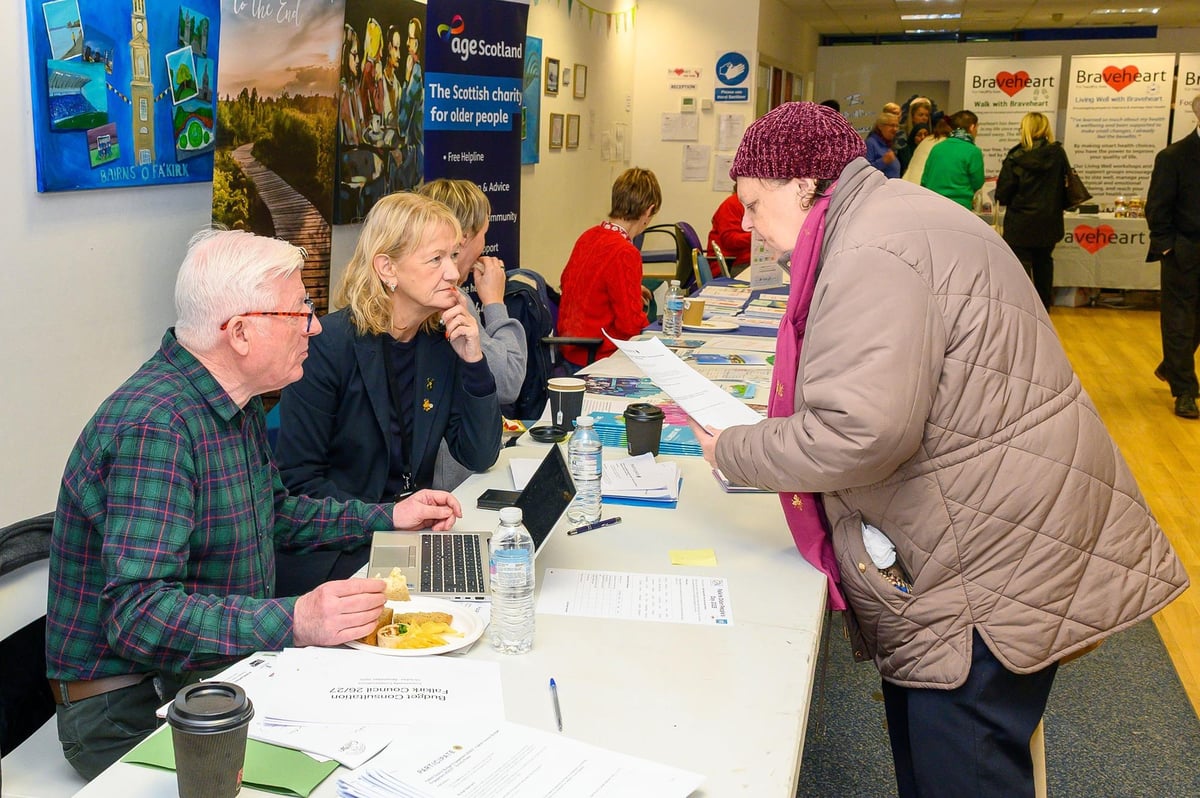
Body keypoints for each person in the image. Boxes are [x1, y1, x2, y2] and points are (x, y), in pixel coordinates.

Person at [690, 102, 1187, 798]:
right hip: (1004, 532)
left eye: (752, 203)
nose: (744, 225)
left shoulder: (867, 252)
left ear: (804, 183)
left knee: (963, 774)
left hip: (981, 569)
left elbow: (862, 431)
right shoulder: (893, 215)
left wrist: (736, 451)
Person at [45, 228, 465, 779]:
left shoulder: (228, 399)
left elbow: (277, 513)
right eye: (299, 312)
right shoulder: (157, 427)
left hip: (208, 677)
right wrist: (295, 620)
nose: (315, 325)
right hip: (127, 711)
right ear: (240, 332)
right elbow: (138, 614)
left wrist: (389, 516)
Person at [274, 192, 501, 591]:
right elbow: (299, 484)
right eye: (436, 259)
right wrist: (389, 516)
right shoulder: (329, 347)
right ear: (387, 268)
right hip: (337, 556)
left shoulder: (437, 341)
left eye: (453, 256)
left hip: (407, 541)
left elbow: (479, 454)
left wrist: (474, 363)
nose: (452, 273)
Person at [418, 178, 528, 488]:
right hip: (452, 482)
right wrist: (494, 302)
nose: (484, 245)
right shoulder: (452, 300)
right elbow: (508, 382)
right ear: (463, 238)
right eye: (484, 234)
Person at [557, 167, 660, 368]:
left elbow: (569, 283)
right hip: (598, 356)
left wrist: (630, 290)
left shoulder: (589, 236)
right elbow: (629, 325)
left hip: (572, 349)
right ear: (648, 211)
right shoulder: (625, 252)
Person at [1145, 93, 1200, 420]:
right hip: (1185, 250)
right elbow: (1157, 205)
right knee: (1179, 321)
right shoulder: (1174, 156)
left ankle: (1171, 365)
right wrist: (1167, 246)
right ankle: (1185, 391)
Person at [995, 112, 1071, 310]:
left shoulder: (1015, 157)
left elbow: (1003, 193)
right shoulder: (1058, 154)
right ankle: (1044, 308)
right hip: (1049, 221)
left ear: (1026, 129)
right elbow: (1065, 187)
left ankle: (1022, 308)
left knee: (1020, 266)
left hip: (1020, 221)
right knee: (1044, 263)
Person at [920, 109, 985, 209]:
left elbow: (924, 180)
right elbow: (978, 182)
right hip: (960, 207)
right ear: (972, 127)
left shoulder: (937, 148)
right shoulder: (973, 151)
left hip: (933, 205)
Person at [706, 189, 751, 274]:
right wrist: (759, 236)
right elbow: (730, 240)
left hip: (749, 262)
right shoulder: (733, 203)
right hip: (731, 265)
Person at [865, 111, 901, 178]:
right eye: (892, 125)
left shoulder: (889, 143)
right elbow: (866, 171)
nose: (895, 129)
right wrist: (883, 161)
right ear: (880, 126)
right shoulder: (870, 143)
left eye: (897, 126)